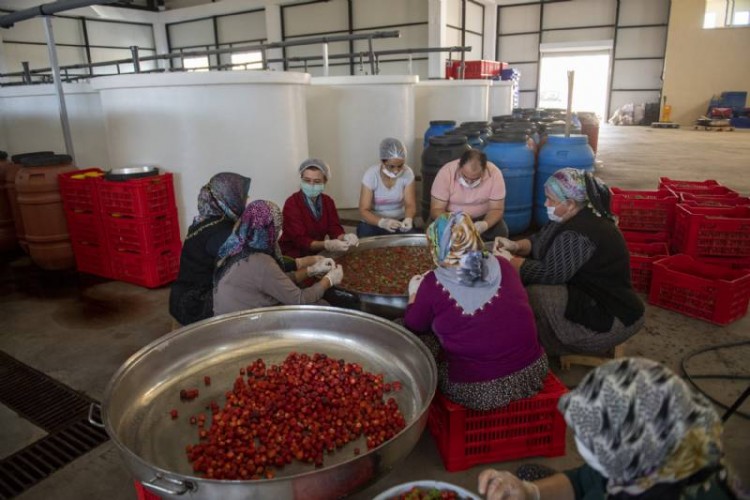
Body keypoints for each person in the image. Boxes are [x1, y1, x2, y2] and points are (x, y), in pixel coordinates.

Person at [477, 357, 743, 500]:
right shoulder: (652, 454)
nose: (578, 442)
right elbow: (586, 480)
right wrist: (530, 492)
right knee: (528, 476)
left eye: (591, 442)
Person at [403, 212, 548, 411]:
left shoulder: (434, 283)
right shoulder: (502, 264)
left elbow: (413, 324)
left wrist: (413, 294)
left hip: (482, 390)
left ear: (438, 247)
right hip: (534, 372)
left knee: (423, 341)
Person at [494, 168, 644, 356]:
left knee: (536, 294)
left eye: (551, 199)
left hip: (613, 312)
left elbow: (550, 273)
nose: (546, 203)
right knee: (529, 291)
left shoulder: (580, 232)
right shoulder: (568, 215)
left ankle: (555, 344)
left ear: (570, 203)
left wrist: (510, 261)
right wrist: (515, 246)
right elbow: (539, 240)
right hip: (588, 290)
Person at [213, 200, 343, 315]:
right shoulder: (260, 261)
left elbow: (277, 282)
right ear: (268, 230)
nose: (279, 232)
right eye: (277, 228)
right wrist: (329, 280)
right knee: (321, 307)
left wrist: (311, 270)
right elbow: (299, 300)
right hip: (245, 325)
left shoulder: (237, 245)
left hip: (229, 316)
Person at [169, 172, 251, 326]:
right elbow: (248, 264)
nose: (246, 200)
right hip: (195, 303)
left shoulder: (207, 220)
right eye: (244, 196)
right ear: (230, 197)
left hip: (180, 294)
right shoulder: (221, 232)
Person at [280, 158, 358, 258]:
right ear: (301, 179)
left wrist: (344, 237)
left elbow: (334, 228)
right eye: (307, 180)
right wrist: (326, 244)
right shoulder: (292, 203)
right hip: (294, 255)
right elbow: (300, 239)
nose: (311, 185)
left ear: (324, 182)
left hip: (317, 252)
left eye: (317, 181)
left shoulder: (328, 201)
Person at [430, 149, 508, 241]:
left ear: (484, 170)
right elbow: (436, 209)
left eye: (475, 179)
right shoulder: (446, 172)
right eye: (465, 176)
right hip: (451, 218)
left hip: (481, 218)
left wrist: (484, 224)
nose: (469, 182)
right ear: (459, 166)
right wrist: (452, 223)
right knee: (433, 233)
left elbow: (497, 209)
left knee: (501, 232)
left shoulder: (495, 173)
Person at [357, 137, 418, 237]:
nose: (396, 170)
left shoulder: (407, 173)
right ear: (382, 162)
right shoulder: (371, 175)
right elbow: (364, 210)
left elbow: (410, 204)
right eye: (391, 166)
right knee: (366, 238)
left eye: (400, 166)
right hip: (374, 222)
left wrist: (408, 218)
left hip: (399, 221)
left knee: (411, 240)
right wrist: (382, 222)